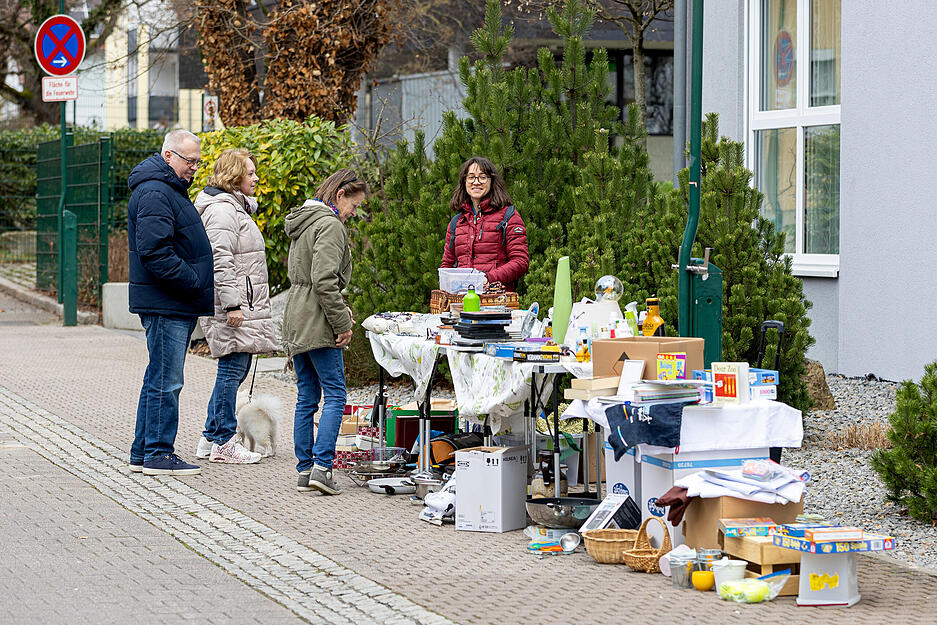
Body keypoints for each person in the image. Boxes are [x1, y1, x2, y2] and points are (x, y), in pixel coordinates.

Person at [127, 129, 214, 476]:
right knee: (167, 380)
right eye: (189, 160)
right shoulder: (156, 192)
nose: (194, 167)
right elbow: (154, 251)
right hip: (167, 302)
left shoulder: (165, 189)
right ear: (168, 156)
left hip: (170, 301)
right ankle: (158, 453)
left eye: (197, 161)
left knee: (158, 377)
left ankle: (142, 451)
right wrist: (193, 281)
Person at [280, 169, 368, 495]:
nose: (354, 213)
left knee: (306, 396)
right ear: (340, 195)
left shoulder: (304, 221)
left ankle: (305, 471)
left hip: (296, 315)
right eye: (354, 205)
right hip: (318, 318)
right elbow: (325, 280)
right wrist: (342, 323)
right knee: (335, 394)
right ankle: (323, 467)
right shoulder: (330, 225)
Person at [193, 148, 278, 464]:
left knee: (234, 368)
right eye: (251, 173)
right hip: (231, 305)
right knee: (232, 369)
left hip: (239, 302)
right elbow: (221, 259)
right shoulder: (223, 211)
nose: (256, 178)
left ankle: (210, 437)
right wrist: (232, 305)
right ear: (234, 176)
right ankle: (224, 441)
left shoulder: (233, 208)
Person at [439, 156, 530, 292]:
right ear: (464, 181)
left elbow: (520, 261)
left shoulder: (509, 216)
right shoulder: (456, 222)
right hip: (461, 302)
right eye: (471, 177)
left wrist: (488, 278)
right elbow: (447, 264)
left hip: (496, 302)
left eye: (482, 177)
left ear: (491, 181)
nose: (476, 182)